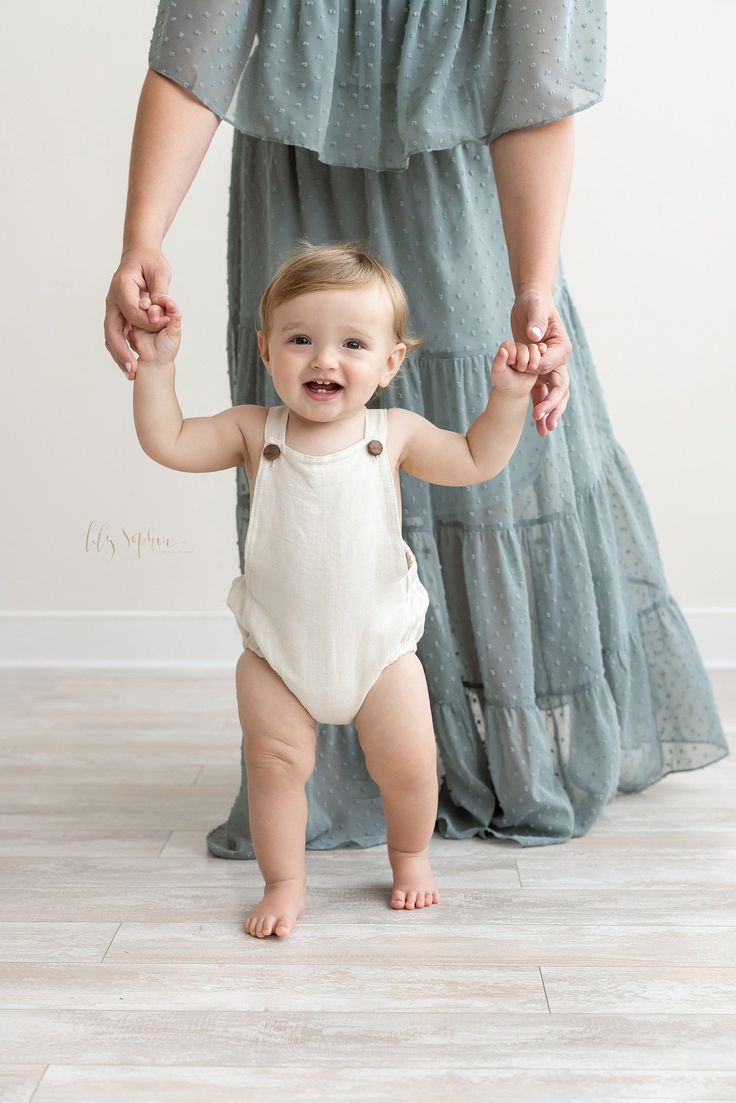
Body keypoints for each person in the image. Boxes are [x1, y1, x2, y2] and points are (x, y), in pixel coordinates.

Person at [105, 1, 728, 855]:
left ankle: (487, 760)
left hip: (462, 187)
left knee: (490, 420)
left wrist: (534, 281)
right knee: (306, 442)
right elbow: (194, 56)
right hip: (299, 179)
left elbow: (533, 89)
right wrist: (142, 235)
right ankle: (329, 772)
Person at [127, 241, 542, 937]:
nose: (324, 359)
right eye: (300, 339)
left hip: (379, 652)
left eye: (352, 342)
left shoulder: (394, 434)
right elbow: (166, 439)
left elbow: (475, 458)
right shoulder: (254, 431)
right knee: (274, 767)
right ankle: (284, 880)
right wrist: (157, 368)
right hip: (277, 657)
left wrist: (506, 399)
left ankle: (409, 857)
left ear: (390, 362)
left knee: (411, 765)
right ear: (266, 351)